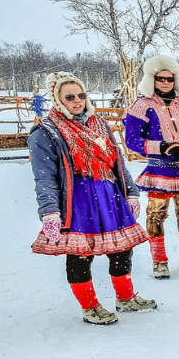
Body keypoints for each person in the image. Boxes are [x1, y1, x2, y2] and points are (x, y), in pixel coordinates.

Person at [29, 72, 155, 325]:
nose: (77, 100)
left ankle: (125, 297)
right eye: (70, 97)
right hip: (77, 202)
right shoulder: (46, 132)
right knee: (79, 254)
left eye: (81, 95)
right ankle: (90, 306)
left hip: (109, 196)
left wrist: (130, 192)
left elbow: (117, 162)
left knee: (121, 249)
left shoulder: (98, 124)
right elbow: (44, 177)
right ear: (57, 99)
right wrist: (50, 211)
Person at [124, 55, 179, 279]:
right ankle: (159, 260)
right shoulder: (141, 106)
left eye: (169, 79)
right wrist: (161, 147)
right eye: (160, 79)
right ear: (152, 79)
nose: (165, 83)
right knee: (156, 214)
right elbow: (132, 140)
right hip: (160, 169)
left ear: (175, 80)